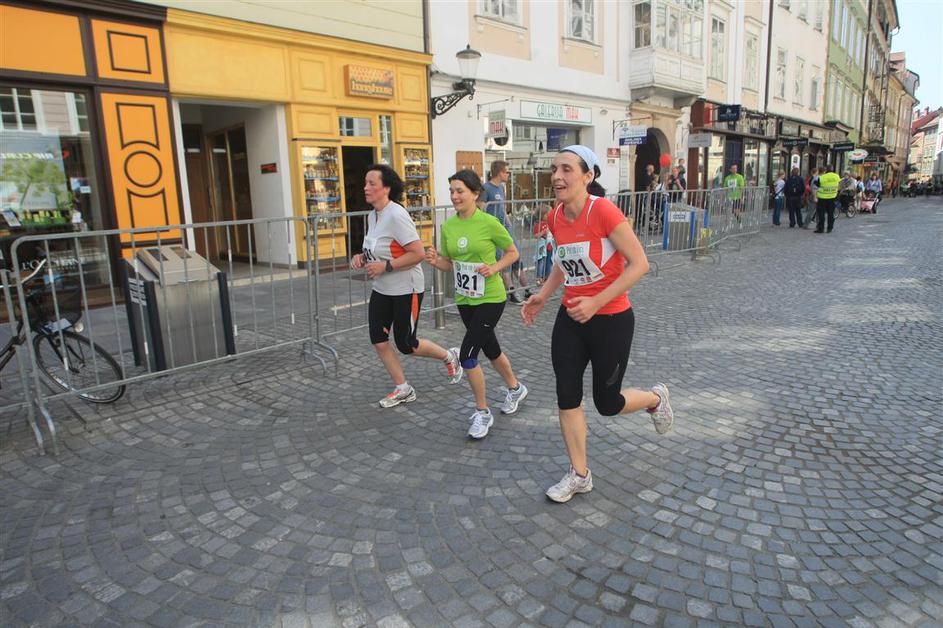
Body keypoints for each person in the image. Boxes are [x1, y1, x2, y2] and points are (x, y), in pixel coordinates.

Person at [520, 145, 674, 504]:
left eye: (567, 169)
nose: (557, 176)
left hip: (611, 319)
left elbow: (640, 263)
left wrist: (597, 301)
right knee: (567, 394)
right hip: (571, 318)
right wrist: (543, 295)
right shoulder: (556, 216)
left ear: (587, 176)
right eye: (554, 169)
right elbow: (563, 261)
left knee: (608, 402)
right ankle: (579, 474)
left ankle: (655, 398)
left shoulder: (602, 210)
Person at [425, 169, 528, 439]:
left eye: (460, 191)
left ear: (475, 193)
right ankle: (516, 388)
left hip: (491, 297)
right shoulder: (449, 226)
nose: (454, 196)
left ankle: (483, 413)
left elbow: (512, 253)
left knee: (468, 355)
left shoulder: (489, 223)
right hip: (465, 299)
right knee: (491, 349)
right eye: (452, 191)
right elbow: (449, 264)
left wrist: (494, 268)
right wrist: (436, 261)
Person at [350, 164, 463, 407]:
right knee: (379, 340)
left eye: (372, 183)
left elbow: (418, 253)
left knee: (406, 344)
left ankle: (449, 355)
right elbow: (379, 249)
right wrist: (361, 257)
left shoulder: (396, 215)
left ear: (386, 188)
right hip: (382, 288)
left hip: (406, 288)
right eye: (365, 183)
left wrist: (386, 266)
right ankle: (403, 388)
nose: (366, 187)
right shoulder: (373, 215)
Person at [483, 161, 531, 304]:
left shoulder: (501, 188)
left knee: (516, 256)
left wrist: (509, 223)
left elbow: (502, 208)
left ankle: (527, 290)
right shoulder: (486, 188)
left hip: (505, 227)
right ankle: (511, 293)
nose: (509, 175)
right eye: (507, 172)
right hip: (494, 230)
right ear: (500, 173)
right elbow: (481, 209)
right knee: (503, 261)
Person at [815, 167, 840, 234]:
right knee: (831, 214)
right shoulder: (837, 176)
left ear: (826, 171)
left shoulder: (822, 177)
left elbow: (816, 185)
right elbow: (839, 184)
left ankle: (821, 228)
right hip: (832, 197)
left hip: (822, 198)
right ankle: (830, 228)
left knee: (821, 214)